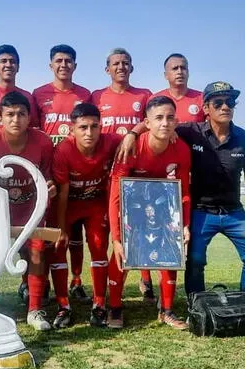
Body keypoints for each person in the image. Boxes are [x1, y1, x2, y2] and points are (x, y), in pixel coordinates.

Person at [118, 81, 245, 330]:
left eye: (230, 102)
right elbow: (158, 122)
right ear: (205, 107)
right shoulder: (191, 131)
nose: (225, 106)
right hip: (200, 211)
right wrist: (132, 133)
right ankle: (196, 309)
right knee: (195, 259)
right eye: (218, 102)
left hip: (234, 212)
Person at [108, 96, 191, 330]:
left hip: (161, 205)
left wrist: (184, 224)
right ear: (147, 122)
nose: (165, 123)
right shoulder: (132, 147)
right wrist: (116, 238)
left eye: (170, 118)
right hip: (132, 206)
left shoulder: (182, 149)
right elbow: (115, 196)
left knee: (170, 249)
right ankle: (114, 307)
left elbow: (184, 192)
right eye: (159, 118)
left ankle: (166, 310)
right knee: (121, 253)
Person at [0, 91, 56, 331]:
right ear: (0, 117)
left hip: (29, 207)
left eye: (21, 114)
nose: (16, 120)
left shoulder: (42, 141)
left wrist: (50, 186)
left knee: (35, 255)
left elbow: (48, 177)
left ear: (29, 117)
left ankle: (35, 309)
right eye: (10, 114)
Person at [91, 47, 156, 302]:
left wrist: (132, 132)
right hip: (104, 171)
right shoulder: (97, 96)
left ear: (132, 68)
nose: (121, 67)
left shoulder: (144, 95)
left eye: (126, 63)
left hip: (134, 172)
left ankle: (146, 278)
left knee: (138, 226)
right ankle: (100, 289)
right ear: (107, 69)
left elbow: (151, 121)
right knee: (106, 229)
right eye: (116, 63)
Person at [51, 103, 121, 327]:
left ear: (101, 127)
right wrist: (61, 228)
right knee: (58, 248)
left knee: (99, 246)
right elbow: (62, 193)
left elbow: (138, 140)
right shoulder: (63, 150)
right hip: (69, 204)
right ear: (72, 129)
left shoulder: (110, 142)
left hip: (95, 205)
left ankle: (99, 304)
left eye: (94, 126)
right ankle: (63, 306)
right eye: (83, 127)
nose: (89, 133)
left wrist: (131, 134)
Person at [34, 44, 93, 304]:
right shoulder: (39, 94)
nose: (64, 65)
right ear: (51, 65)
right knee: (48, 230)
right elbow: (35, 130)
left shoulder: (85, 94)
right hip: (48, 169)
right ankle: (42, 283)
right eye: (59, 60)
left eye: (69, 61)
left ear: (75, 66)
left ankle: (77, 281)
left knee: (75, 230)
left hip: (75, 167)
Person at [0, 45, 39, 131]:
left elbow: (33, 127)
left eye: (12, 61)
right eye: (3, 61)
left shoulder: (27, 97)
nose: (8, 65)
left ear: (18, 67)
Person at [151, 53, 205, 123]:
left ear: (188, 72)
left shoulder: (202, 98)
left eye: (183, 68)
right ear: (166, 75)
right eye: (175, 68)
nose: (180, 72)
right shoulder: (154, 99)